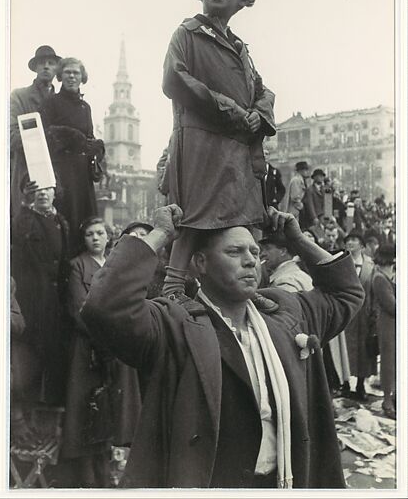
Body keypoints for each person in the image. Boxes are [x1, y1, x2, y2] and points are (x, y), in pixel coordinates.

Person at [81, 204, 364, 489]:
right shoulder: (175, 323)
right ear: (200, 263)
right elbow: (105, 307)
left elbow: (346, 293)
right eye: (234, 252)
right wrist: (161, 234)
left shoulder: (285, 310)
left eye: (254, 252)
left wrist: (298, 241)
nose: (250, 261)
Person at [161, 0, 276, 298]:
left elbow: (263, 89)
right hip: (201, 146)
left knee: (238, 221)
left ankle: (245, 290)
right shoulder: (188, 34)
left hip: (236, 151)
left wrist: (260, 112)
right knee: (195, 219)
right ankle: (173, 287)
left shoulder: (242, 49)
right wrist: (231, 110)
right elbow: (175, 80)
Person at [62, 217, 140, 487]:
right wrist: (107, 339)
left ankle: (113, 476)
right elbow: (79, 310)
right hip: (89, 350)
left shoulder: (115, 267)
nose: (95, 238)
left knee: (116, 410)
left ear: (109, 237)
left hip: (117, 348)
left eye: (100, 233)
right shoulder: (77, 267)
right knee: (88, 410)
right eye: (89, 234)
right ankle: (88, 480)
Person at [11, 182, 71, 406]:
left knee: (54, 356)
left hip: (56, 301)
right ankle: (29, 415)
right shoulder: (25, 220)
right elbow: (17, 237)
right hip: (33, 300)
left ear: (56, 192)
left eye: (47, 188)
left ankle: (49, 418)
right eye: (37, 190)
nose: (43, 193)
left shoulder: (61, 222)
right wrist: (26, 207)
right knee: (32, 356)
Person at [40, 57, 105, 255]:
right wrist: (71, 136)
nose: (71, 76)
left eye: (76, 73)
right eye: (67, 72)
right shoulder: (51, 102)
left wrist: (97, 148)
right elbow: (45, 134)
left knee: (85, 218)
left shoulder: (86, 108)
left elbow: (89, 136)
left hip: (82, 173)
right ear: (60, 76)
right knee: (66, 215)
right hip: (62, 170)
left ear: (82, 77)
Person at [10, 45, 62, 219]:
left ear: (57, 69)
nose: (46, 66)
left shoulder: (62, 100)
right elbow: (11, 135)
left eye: (51, 63)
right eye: (41, 63)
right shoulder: (19, 97)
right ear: (35, 68)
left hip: (58, 176)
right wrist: (44, 138)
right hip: (28, 174)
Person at [343, 230, 376, 401]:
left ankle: (361, 384)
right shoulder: (341, 263)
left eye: (354, 240)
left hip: (364, 313)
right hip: (345, 312)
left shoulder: (371, 266)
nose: (350, 243)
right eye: (348, 240)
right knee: (345, 349)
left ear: (362, 246)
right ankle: (345, 383)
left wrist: (373, 314)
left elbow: (373, 290)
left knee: (363, 351)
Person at [371, 244, 396, 419]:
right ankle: (387, 401)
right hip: (387, 325)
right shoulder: (379, 278)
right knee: (388, 363)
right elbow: (392, 306)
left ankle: (393, 397)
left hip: (394, 325)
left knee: (396, 362)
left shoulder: (388, 275)